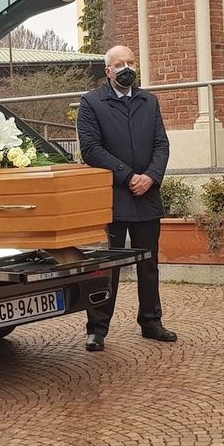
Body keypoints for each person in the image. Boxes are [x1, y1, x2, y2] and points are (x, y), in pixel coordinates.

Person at [76, 45, 177, 351]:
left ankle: (151, 321)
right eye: (119, 64)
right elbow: (91, 149)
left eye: (131, 62)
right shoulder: (91, 102)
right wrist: (128, 176)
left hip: (147, 194)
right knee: (108, 266)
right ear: (108, 71)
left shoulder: (149, 101)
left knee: (149, 263)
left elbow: (161, 144)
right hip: (112, 196)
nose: (126, 68)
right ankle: (97, 328)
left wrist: (151, 176)